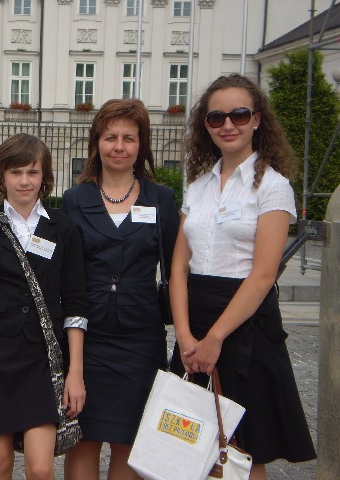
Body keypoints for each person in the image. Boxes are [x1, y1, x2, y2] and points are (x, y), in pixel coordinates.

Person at [169, 73, 316, 480]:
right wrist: (185, 335)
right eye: (216, 117)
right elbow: (178, 268)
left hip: (245, 323)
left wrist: (215, 338)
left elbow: (264, 274)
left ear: (256, 120)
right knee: (188, 448)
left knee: (244, 454)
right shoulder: (197, 186)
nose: (228, 124)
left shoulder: (273, 186)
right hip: (195, 324)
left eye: (239, 114)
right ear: (206, 125)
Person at [0, 133, 88, 480]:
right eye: (15, 172)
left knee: (40, 468)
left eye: (32, 171)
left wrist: (75, 372)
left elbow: (76, 304)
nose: (24, 181)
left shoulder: (64, 228)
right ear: (1, 176)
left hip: (42, 358)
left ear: (45, 176)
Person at [61, 99, 180, 480]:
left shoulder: (161, 199)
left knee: (129, 441)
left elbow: (177, 270)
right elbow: (64, 273)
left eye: (129, 138)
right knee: (83, 437)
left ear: (141, 145)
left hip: (140, 339)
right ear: (96, 143)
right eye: (110, 137)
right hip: (87, 337)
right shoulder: (74, 200)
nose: (119, 146)